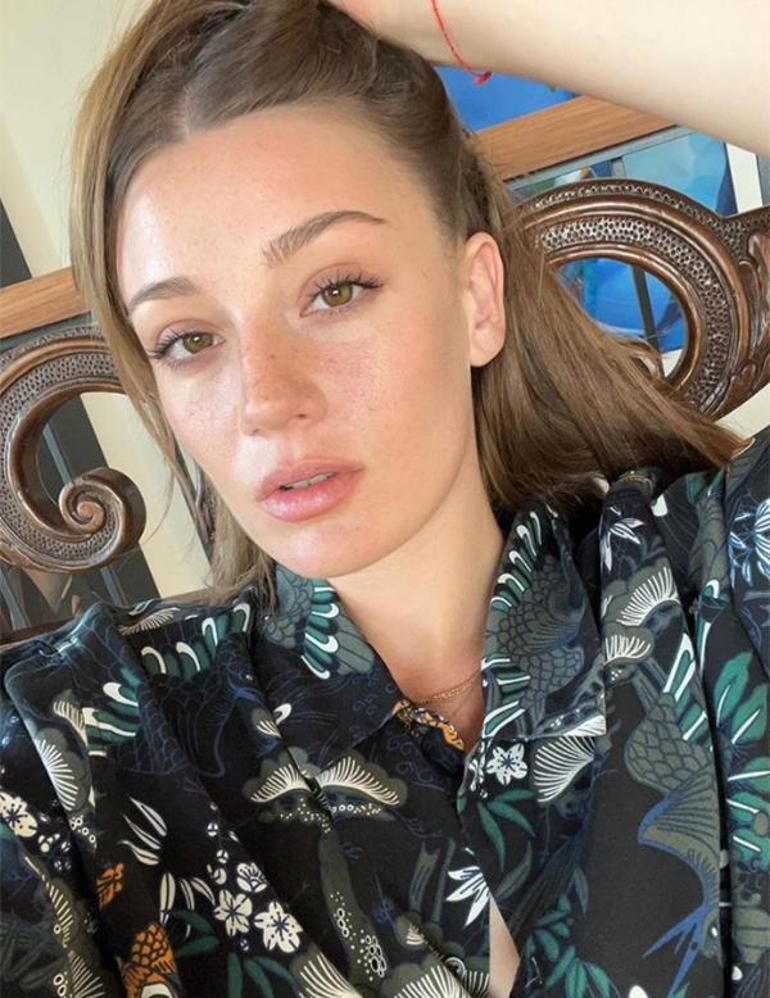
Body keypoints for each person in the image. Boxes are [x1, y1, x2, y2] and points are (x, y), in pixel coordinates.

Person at [1, 1, 767, 996]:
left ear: (476, 298)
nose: (266, 400)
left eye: (336, 289)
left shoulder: (718, 580)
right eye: (189, 339)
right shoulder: (74, 743)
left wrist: (473, 16)